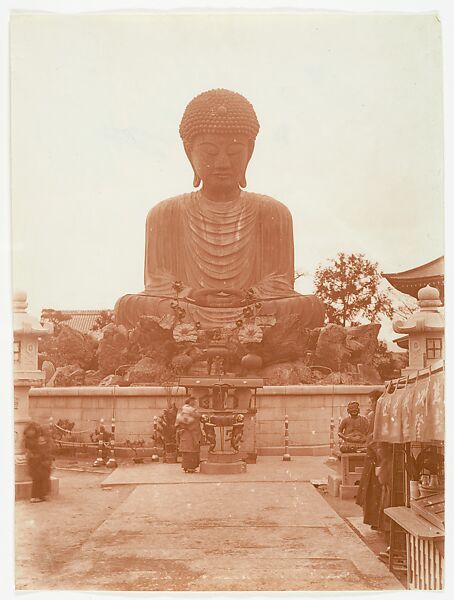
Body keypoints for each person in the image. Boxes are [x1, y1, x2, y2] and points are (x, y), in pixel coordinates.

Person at [115, 88, 325, 330]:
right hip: (189, 308)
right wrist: (192, 294)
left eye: (235, 153)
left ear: (250, 153)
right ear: (188, 153)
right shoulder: (165, 214)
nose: (223, 163)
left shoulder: (272, 212)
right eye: (209, 153)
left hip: (251, 309)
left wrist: (249, 295)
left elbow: (279, 282)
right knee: (130, 306)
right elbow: (158, 282)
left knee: (309, 307)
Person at [356, 390, 383, 529]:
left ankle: (377, 521)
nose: (369, 404)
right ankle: (374, 521)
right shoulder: (373, 415)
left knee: (375, 492)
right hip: (372, 456)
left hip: (377, 457)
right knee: (371, 492)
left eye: (371, 401)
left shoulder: (378, 416)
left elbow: (374, 438)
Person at [23, 421, 54, 503]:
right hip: (39, 461)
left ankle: (40, 495)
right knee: (39, 479)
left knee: (39, 479)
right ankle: (37, 496)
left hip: (37, 461)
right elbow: (43, 450)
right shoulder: (36, 439)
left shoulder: (29, 438)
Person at [175, 398, 202, 473]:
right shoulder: (191, 410)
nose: (195, 403)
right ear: (191, 402)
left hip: (184, 433)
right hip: (191, 433)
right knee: (191, 451)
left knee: (187, 451)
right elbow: (197, 417)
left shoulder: (182, 410)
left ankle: (186, 467)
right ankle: (190, 467)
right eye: (194, 402)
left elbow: (178, 422)